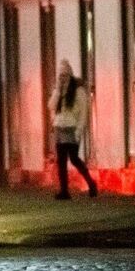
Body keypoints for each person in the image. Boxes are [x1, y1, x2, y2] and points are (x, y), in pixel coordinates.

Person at [49, 60, 98, 200]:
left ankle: (91, 183)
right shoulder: (59, 90)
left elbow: (83, 113)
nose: (62, 78)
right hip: (59, 127)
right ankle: (64, 190)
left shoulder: (78, 90)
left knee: (74, 159)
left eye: (65, 75)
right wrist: (57, 91)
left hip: (71, 128)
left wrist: (78, 131)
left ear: (70, 75)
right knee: (61, 160)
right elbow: (51, 106)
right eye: (60, 75)